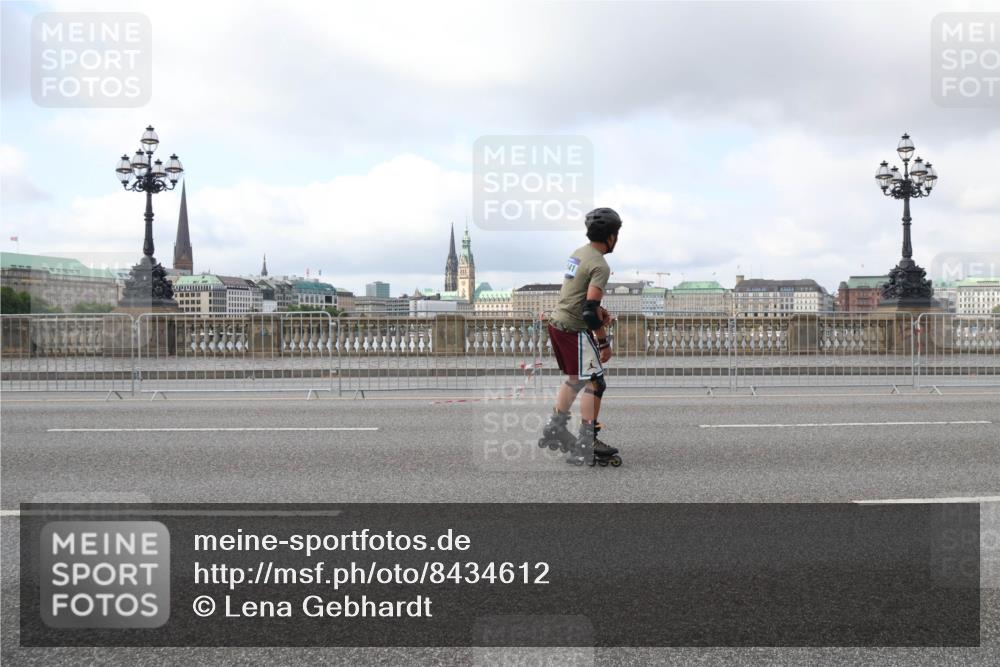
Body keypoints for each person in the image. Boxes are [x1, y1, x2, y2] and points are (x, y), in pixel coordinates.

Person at [541, 207, 622, 466]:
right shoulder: (600, 264)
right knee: (596, 382)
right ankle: (588, 441)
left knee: (576, 379)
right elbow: (588, 311)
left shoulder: (578, 253)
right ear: (610, 236)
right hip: (574, 328)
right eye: (617, 233)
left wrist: (599, 310)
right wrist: (603, 341)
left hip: (557, 323)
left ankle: (556, 427)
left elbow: (579, 296)